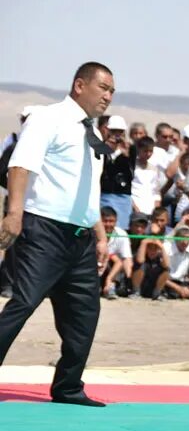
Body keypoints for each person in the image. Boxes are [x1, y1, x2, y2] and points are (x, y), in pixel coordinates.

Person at [0, 62, 115, 406]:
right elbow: (21, 165)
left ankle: (67, 386)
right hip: (44, 229)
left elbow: (86, 190)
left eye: (112, 91)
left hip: (79, 236)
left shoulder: (91, 131)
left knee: (85, 312)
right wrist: (14, 214)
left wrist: (100, 235)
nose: (108, 96)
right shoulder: (47, 118)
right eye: (103, 88)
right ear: (80, 85)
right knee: (23, 304)